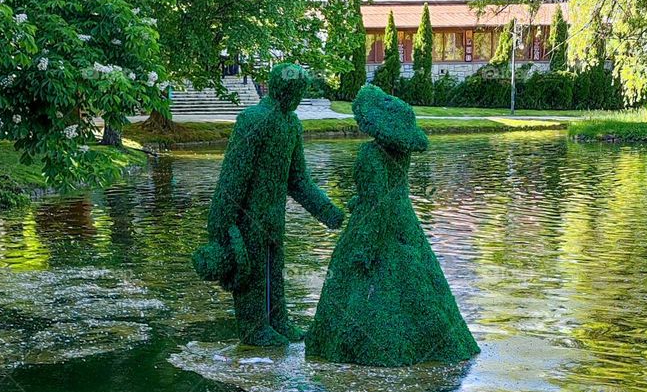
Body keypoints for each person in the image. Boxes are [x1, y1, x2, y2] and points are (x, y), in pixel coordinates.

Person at [305, 84, 479, 367]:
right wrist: (360, 200)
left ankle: (365, 350)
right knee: (418, 289)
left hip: (376, 227)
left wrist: (365, 248)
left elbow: (378, 207)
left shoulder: (369, 155)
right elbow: (384, 196)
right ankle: (425, 348)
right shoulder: (401, 153)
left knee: (366, 291)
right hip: (405, 223)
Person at [194, 64, 345, 346]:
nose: (298, 97)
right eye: (295, 91)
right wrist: (220, 227)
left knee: (274, 270)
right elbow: (232, 179)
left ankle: (277, 321)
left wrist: (328, 212)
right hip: (246, 217)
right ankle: (254, 329)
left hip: (274, 218)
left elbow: (298, 180)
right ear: (281, 89)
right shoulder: (253, 120)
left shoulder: (291, 124)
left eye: (301, 92)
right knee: (249, 271)